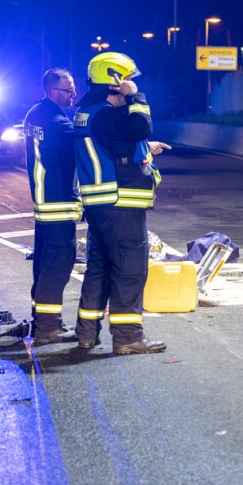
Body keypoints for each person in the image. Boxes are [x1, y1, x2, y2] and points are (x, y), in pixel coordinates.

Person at [72, 52, 171, 355]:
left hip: (101, 206)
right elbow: (140, 126)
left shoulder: (89, 112)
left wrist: (145, 147)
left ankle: (87, 334)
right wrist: (135, 97)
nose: (130, 84)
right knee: (129, 270)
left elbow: (118, 144)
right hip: (121, 204)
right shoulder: (107, 114)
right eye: (126, 79)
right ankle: (128, 337)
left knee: (98, 269)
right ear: (114, 81)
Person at [22, 68, 82, 346]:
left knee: (44, 264)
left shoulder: (36, 114)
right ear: (53, 91)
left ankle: (42, 321)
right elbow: (84, 142)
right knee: (59, 264)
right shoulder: (56, 121)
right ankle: (48, 328)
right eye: (69, 90)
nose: (74, 95)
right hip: (57, 201)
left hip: (43, 200)